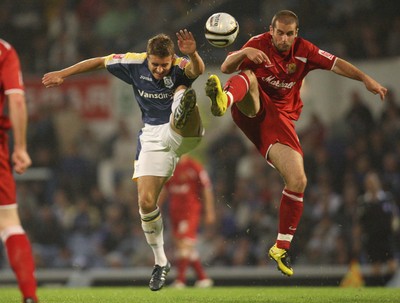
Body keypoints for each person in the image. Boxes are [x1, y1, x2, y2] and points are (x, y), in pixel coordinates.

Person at [205, 10, 387, 277]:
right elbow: (225, 67)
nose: (284, 38)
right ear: (271, 30)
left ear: (296, 34)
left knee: (298, 180)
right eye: (279, 32)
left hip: (279, 122)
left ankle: (280, 247)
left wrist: (365, 79)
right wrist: (244, 54)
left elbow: (336, 63)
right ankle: (224, 100)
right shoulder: (258, 43)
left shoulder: (304, 51)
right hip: (250, 105)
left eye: (289, 33)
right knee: (251, 78)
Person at [42, 29, 205, 291]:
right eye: (155, 64)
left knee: (184, 90)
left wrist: (193, 53)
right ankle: (161, 262)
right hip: (153, 136)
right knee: (145, 202)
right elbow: (98, 61)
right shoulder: (132, 62)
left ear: (172, 58)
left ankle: (182, 107)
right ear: (147, 58)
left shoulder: (181, 65)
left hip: (183, 133)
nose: (160, 70)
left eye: (165, 64)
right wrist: (63, 74)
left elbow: (197, 69)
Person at [0, 39, 38, 303]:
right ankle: (29, 296)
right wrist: (21, 148)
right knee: (9, 223)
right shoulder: (4, 51)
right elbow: (17, 100)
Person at [159, 154, 215, 288]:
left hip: (190, 211)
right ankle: (203, 278)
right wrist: (156, 207)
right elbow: (165, 189)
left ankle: (180, 280)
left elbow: (206, 188)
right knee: (182, 246)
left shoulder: (194, 166)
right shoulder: (170, 167)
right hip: (174, 213)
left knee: (184, 243)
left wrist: (209, 211)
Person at [353, 171, 399, 286]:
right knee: (375, 268)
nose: (371, 185)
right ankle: (379, 288)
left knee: (393, 265)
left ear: (378, 182)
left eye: (372, 182)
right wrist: (357, 240)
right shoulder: (363, 202)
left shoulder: (387, 198)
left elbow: (394, 217)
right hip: (372, 240)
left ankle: (390, 287)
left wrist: (395, 229)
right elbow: (359, 223)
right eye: (368, 182)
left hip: (387, 238)